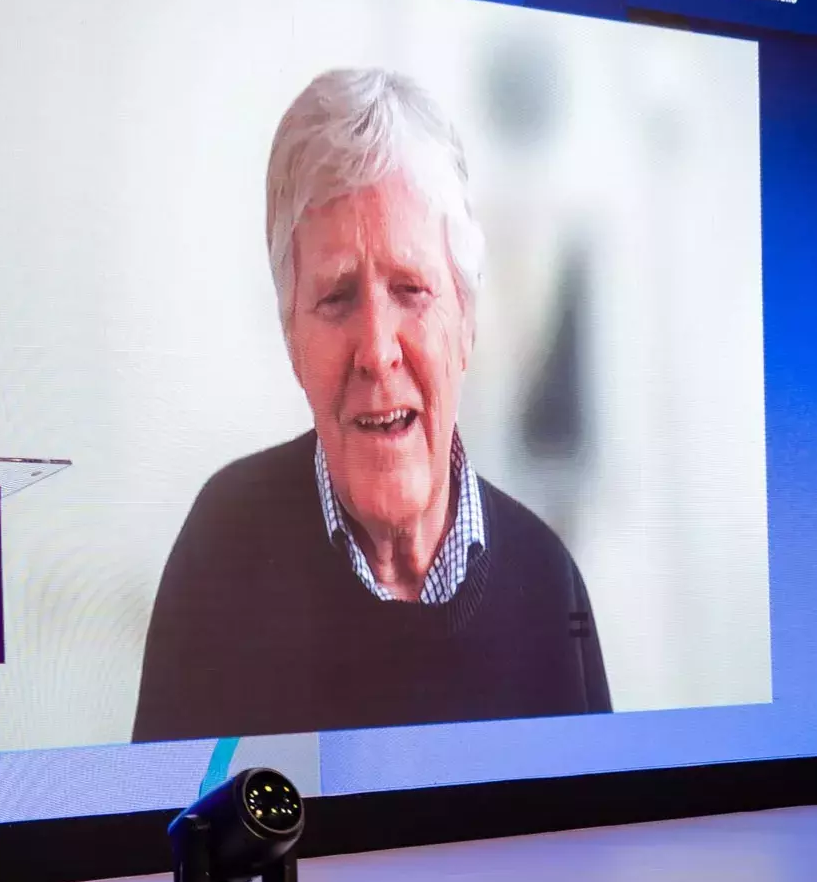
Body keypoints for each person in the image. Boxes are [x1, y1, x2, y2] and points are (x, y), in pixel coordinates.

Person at [132, 69, 610, 744]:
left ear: (466, 320)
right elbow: (165, 836)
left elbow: (597, 841)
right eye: (336, 298)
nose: (377, 351)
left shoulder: (549, 577)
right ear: (291, 336)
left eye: (412, 288)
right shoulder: (224, 549)